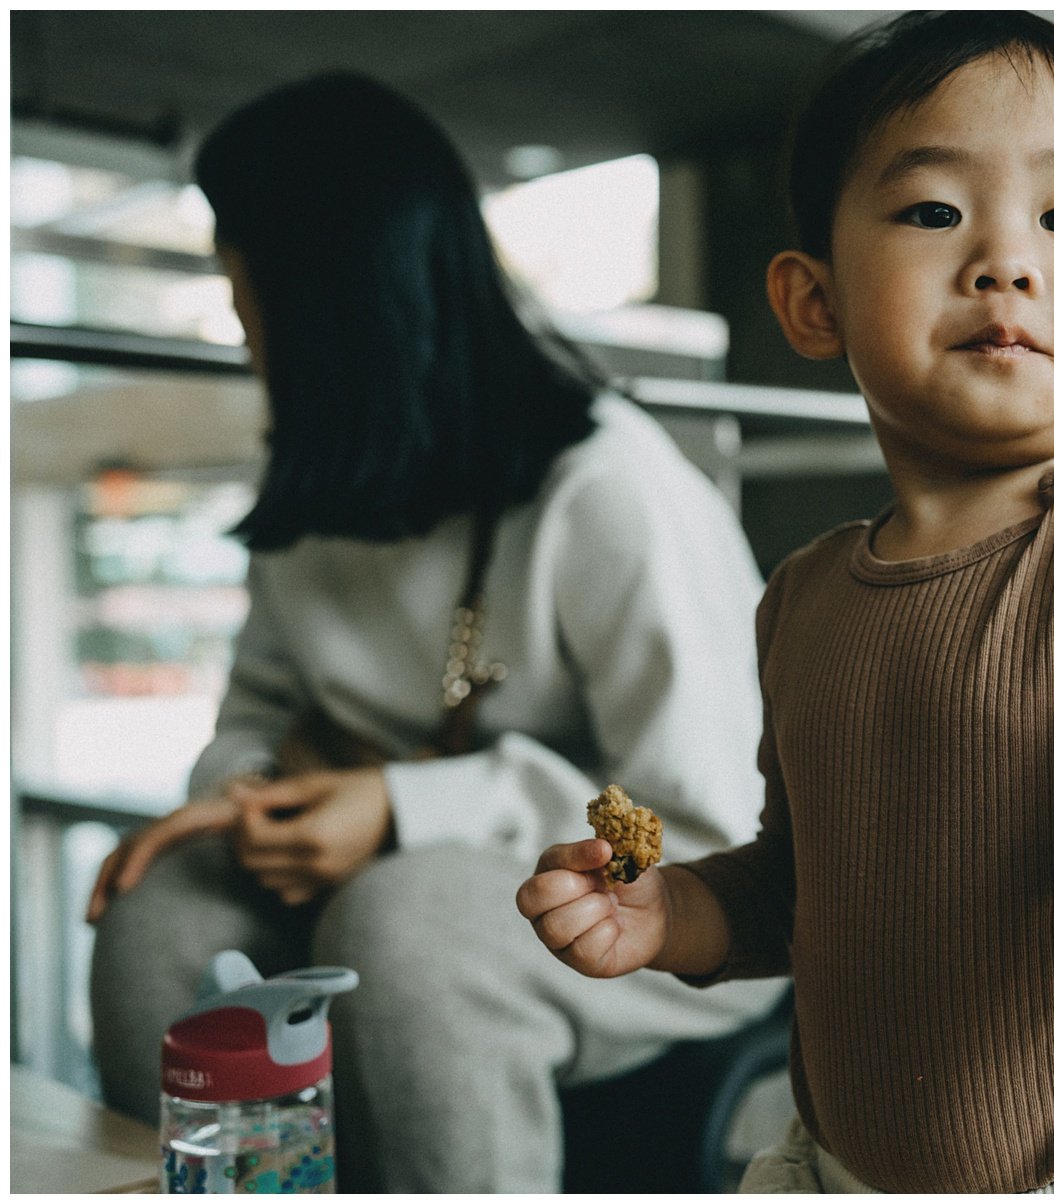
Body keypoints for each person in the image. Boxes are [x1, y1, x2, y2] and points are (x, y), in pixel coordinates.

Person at [518, 12, 1054, 1193]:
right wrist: (673, 914)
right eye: (933, 210)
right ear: (812, 301)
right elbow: (803, 885)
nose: (1005, 260)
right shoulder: (805, 597)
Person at [84, 71, 785, 1193]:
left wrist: (408, 813)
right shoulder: (323, 477)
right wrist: (260, 794)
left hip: (659, 909)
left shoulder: (604, 489)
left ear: (328, 302)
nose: (241, 331)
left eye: (244, 293)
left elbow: (708, 818)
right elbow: (255, 710)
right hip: (389, 878)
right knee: (156, 910)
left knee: (406, 924)